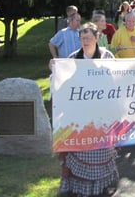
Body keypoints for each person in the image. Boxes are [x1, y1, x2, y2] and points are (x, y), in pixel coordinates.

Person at [50, 24, 119, 197]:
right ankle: (82, 189)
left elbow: (115, 82)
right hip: (80, 118)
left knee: (101, 151)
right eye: (82, 38)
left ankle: (100, 187)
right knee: (83, 152)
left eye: (88, 38)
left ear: (97, 38)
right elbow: (64, 87)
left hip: (101, 115)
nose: (85, 41)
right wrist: (55, 68)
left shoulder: (107, 57)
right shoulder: (73, 58)